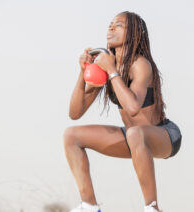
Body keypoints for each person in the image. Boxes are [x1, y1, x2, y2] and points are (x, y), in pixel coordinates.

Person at [63, 11, 182, 212]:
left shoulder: (140, 65)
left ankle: (152, 207)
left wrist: (112, 71)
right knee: (71, 136)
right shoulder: (108, 65)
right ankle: (90, 206)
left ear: (134, 33)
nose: (111, 27)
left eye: (119, 25)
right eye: (110, 24)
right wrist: (82, 73)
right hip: (133, 138)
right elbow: (75, 112)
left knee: (136, 133)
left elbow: (134, 108)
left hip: (163, 135)